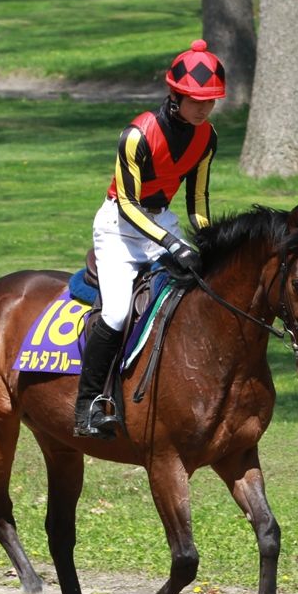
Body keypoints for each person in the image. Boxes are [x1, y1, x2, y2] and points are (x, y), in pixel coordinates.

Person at [74, 39, 226, 439]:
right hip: (119, 230)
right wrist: (173, 245)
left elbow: (198, 197)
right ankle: (89, 404)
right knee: (117, 313)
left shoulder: (207, 137)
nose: (204, 108)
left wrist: (207, 241)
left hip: (162, 223)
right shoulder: (136, 135)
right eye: (196, 100)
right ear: (175, 96)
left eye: (210, 101)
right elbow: (126, 203)